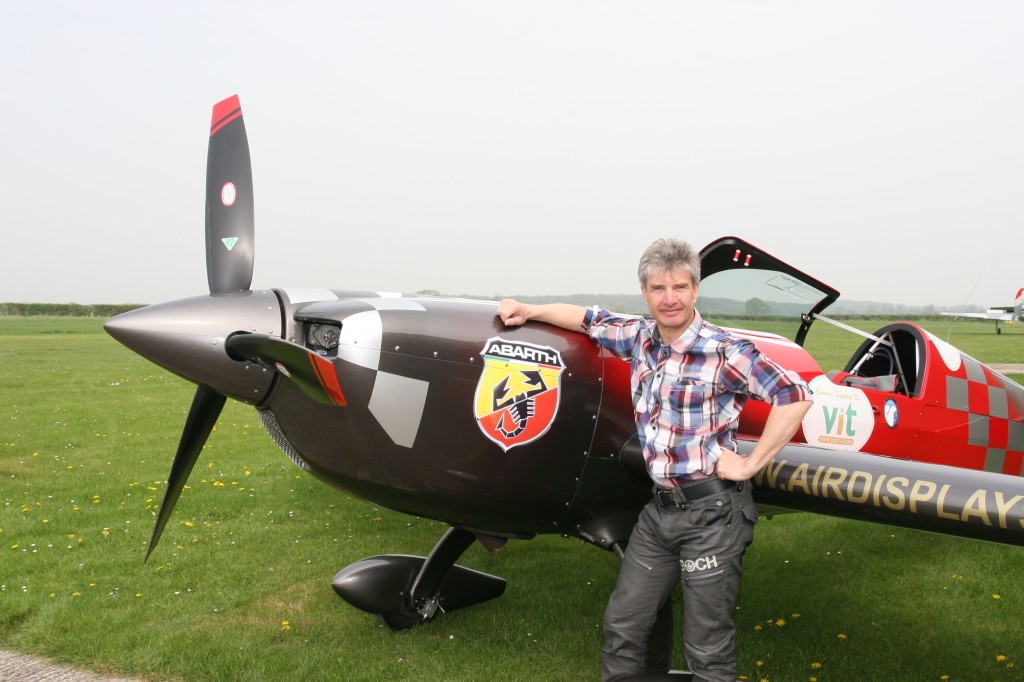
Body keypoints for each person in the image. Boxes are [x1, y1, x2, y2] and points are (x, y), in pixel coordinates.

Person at [497, 238, 812, 682]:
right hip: (659, 513)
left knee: (707, 647)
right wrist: (528, 310)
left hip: (713, 515)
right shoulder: (640, 336)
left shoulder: (724, 351)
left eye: (680, 287)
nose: (670, 298)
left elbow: (794, 395)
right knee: (623, 625)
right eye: (659, 288)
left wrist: (749, 464)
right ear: (645, 293)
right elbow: (589, 319)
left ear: (695, 290)